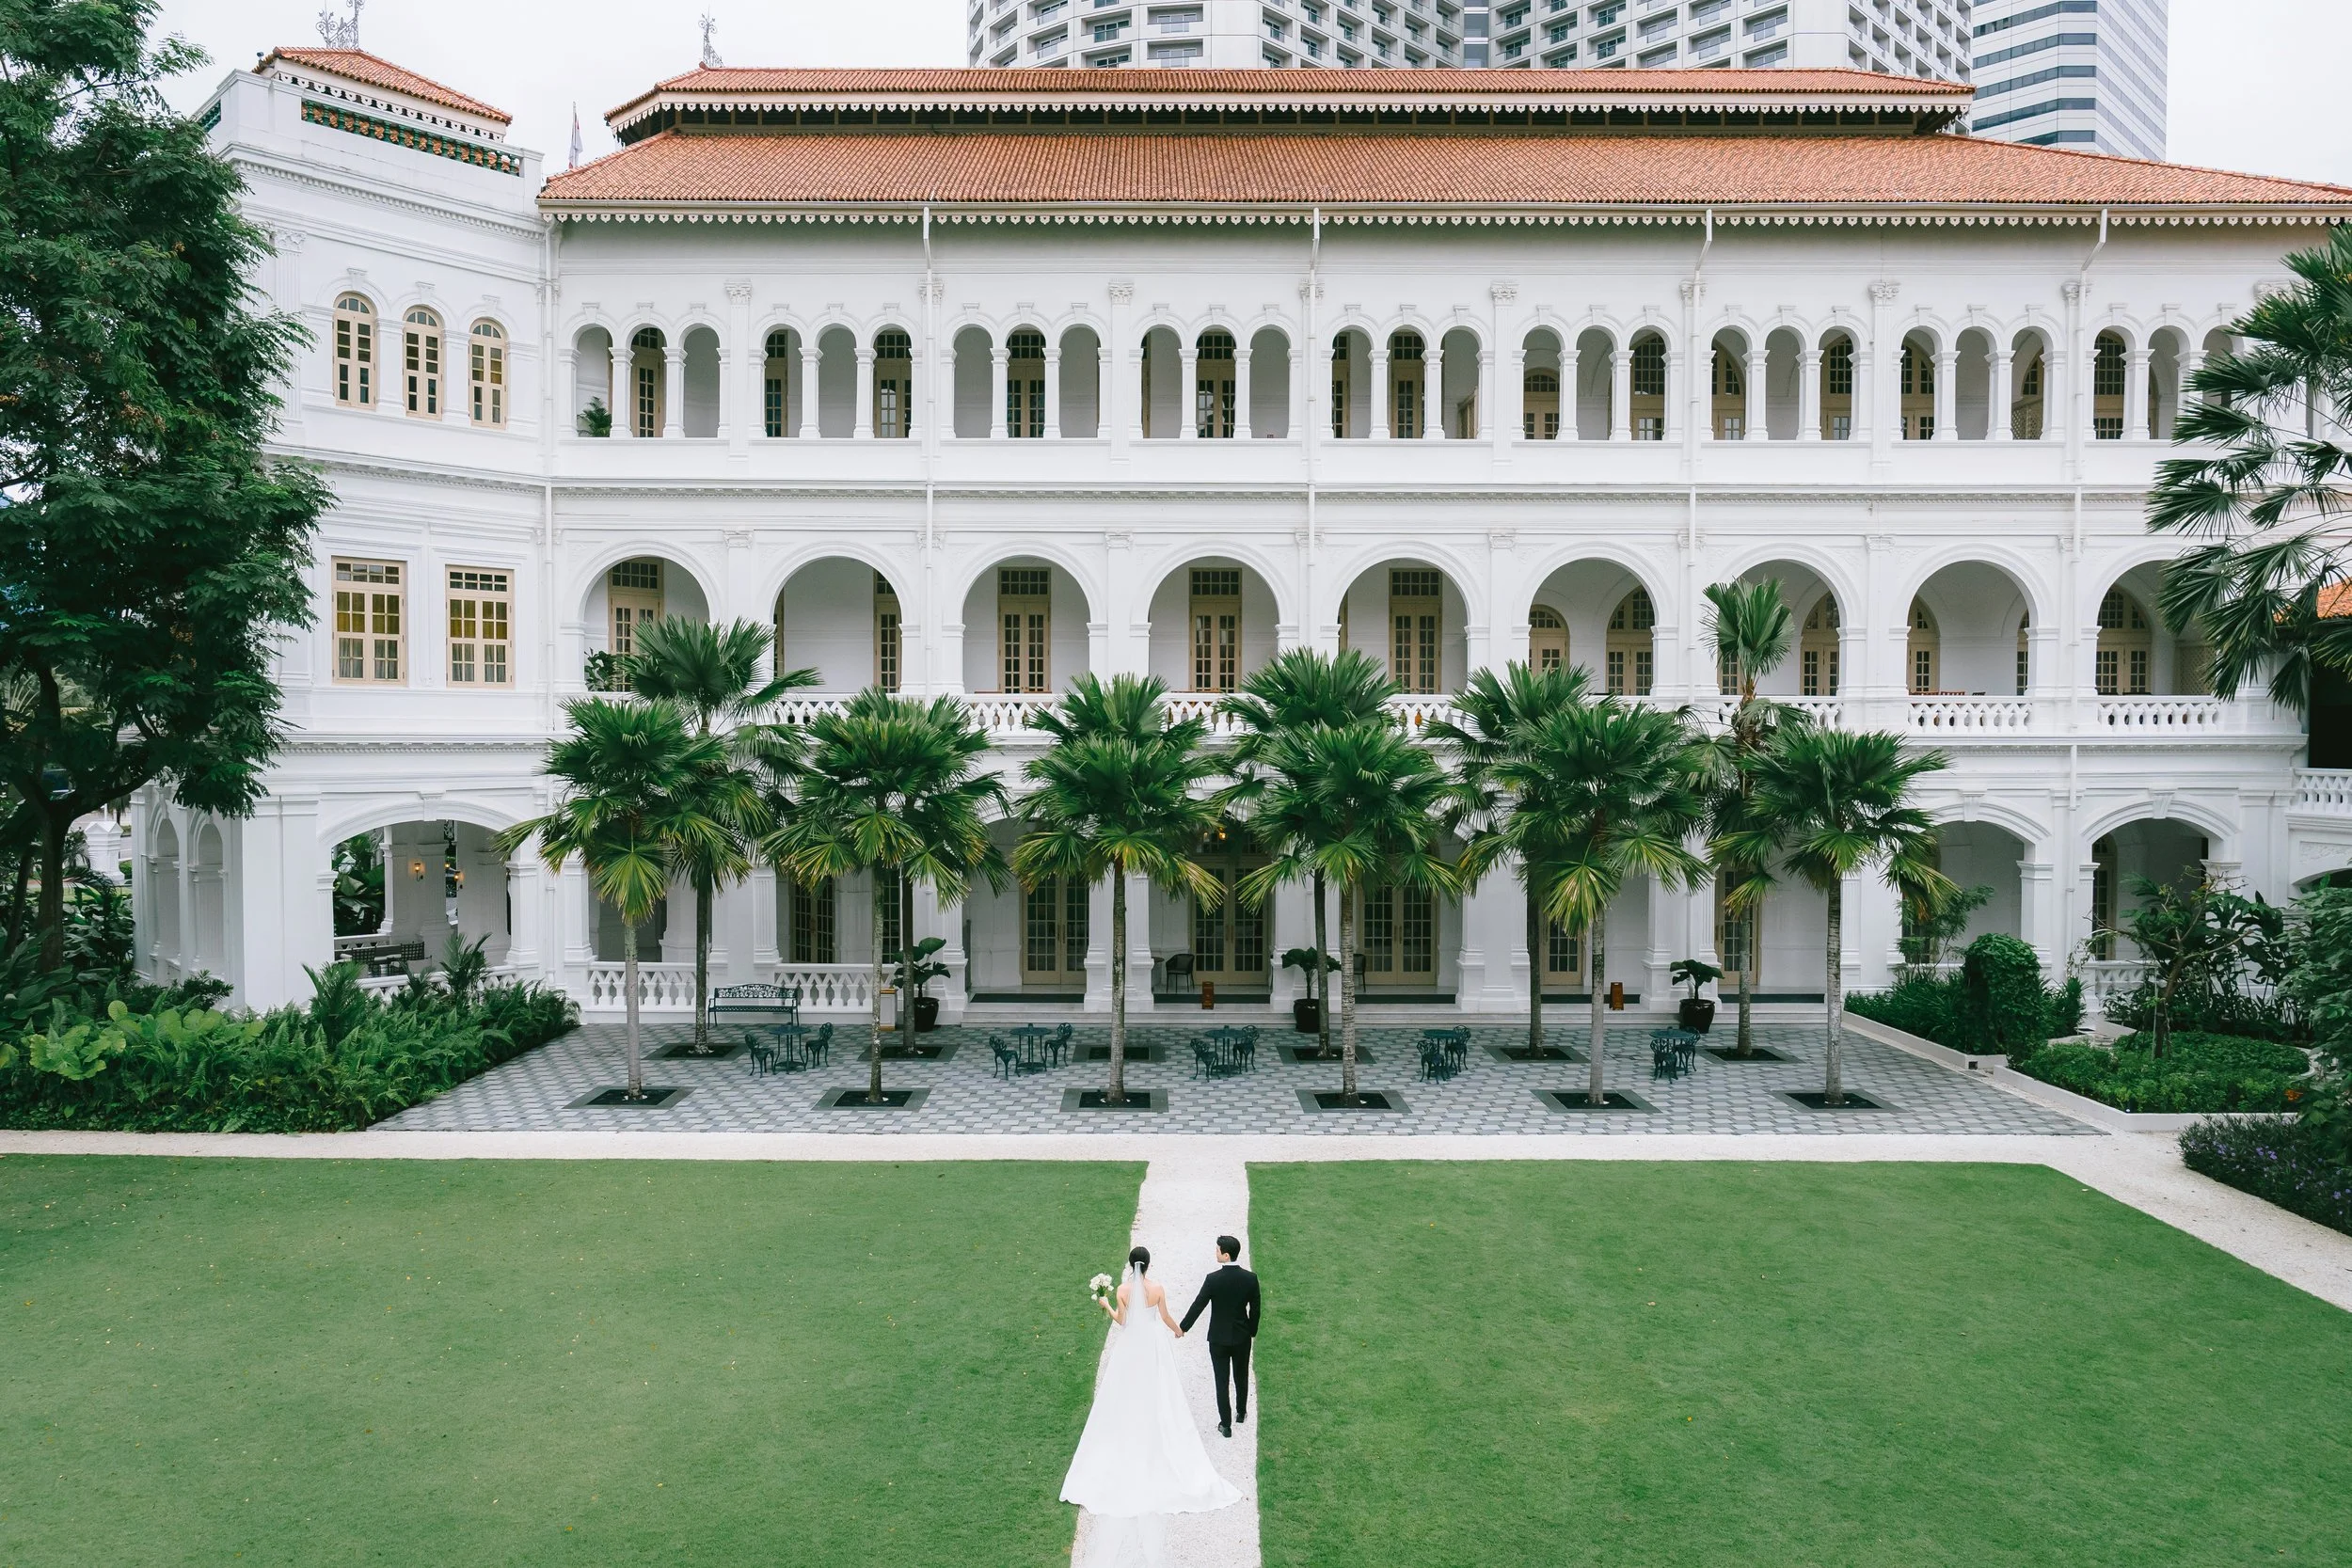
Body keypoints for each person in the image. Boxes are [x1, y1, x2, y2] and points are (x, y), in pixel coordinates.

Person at [1061, 1245, 1241, 1567]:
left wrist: (1105, 1303)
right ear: (1150, 1264)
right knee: (1161, 1391)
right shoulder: (1157, 1289)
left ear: (1130, 1265)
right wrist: (1177, 1330)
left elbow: (1122, 1323)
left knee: (1125, 1391)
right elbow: (1167, 1317)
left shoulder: (1124, 1290)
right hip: (1153, 1348)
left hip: (1132, 1348)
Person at [1178, 1235, 1261, 1437]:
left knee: (1221, 1381)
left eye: (1217, 1250)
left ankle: (1226, 1424)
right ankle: (1241, 1413)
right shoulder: (1250, 1278)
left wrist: (1183, 1327)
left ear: (1226, 1255)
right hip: (1241, 1337)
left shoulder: (1213, 1279)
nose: (1215, 1253)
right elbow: (1255, 1309)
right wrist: (1251, 1330)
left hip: (1218, 1339)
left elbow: (1199, 1305)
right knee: (1241, 1376)